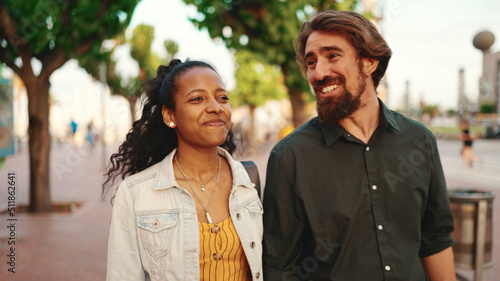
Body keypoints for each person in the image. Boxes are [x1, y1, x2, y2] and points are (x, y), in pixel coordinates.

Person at [263, 10, 456, 281]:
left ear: (368, 61)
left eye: (333, 56)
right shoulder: (290, 157)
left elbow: (435, 238)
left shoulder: (420, 141)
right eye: (311, 62)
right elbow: (280, 268)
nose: (318, 72)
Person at [104, 59, 263, 281]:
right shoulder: (134, 193)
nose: (216, 107)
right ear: (170, 116)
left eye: (222, 98)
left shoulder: (248, 182)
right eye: (197, 98)